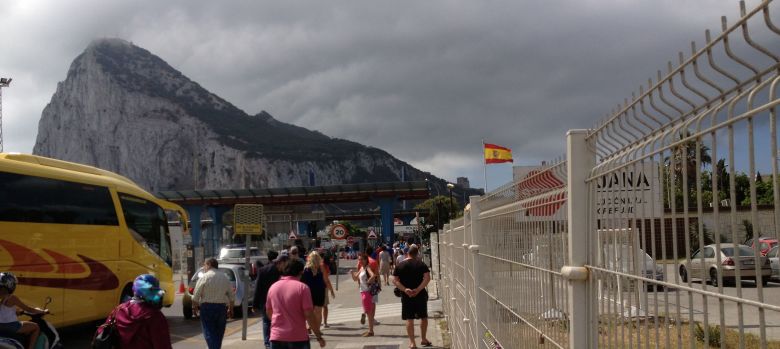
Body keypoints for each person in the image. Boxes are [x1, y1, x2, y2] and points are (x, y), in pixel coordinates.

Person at [266, 258, 326, 348]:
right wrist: (318, 336)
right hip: (298, 338)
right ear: (300, 272)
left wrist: (279, 322)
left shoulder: (273, 287)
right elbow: (309, 314)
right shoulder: (302, 288)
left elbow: (269, 311)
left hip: (277, 337)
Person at [106, 274, 172, 349]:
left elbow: (102, 333)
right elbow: (163, 345)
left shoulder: (118, 310)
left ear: (134, 290)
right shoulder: (155, 316)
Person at [393, 245, 432, 348]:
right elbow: (427, 278)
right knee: (423, 317)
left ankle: (412, 343)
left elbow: (395, 281)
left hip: (407, 296)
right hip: (420, 295)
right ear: (417, 254)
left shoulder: (400, 265)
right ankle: (423, 339)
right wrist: (418, 289)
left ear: (407, 254)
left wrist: (405, 289)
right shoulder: (421, 264)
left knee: (409, 319)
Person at [191, 258, 235, 349]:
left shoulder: (204, 277)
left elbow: (196, 295)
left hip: (207, 308)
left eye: (204, 265)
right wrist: (231, 308)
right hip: (221, 308)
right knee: (219, 333)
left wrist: (194, 308)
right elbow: (231, 296)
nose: (203, 267)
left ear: (209, 265)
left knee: (209, 333)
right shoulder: (224, 277)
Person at [0, 273, 47, 349]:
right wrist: (42, 311)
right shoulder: (12, 298)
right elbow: (28, 309)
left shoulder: (1, 298)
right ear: (11, 285)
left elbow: (3, 312)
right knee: (36, 327)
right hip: (12, 326)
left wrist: (17, 313)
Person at [254, 250, 288, 349]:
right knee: (278, 321)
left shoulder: (263, 270)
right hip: (280, 301)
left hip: (266, 301)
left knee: (266, 322)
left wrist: (255, 304)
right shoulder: (282, 271)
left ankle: (267, 343)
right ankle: (276, 339)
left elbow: (258, 288)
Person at [350, 254, 378, 337]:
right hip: (363, 291)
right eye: (359, 260)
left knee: (369, 312)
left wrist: (368, 281)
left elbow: (373, 275)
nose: (360, 261)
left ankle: (370, 331)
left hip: (366, 292)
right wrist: (352, 273)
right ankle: (370, 328)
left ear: (366, 260)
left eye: (362, 259)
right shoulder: (362, 268)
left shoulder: (367, 268)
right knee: (369, 311)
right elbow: (355, 278)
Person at [301, 251, 326, 333]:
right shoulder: (320, 268)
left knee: (309, 312)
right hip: (319, 292)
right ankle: (317, 330)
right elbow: (324, 279)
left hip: (309, 293)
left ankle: (309, 326)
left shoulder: (306, 269)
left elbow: (303, 282)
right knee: (318, 312)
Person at [356, 246, 380, 325]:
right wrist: (379, 284)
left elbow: (358, 273)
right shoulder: (373, 261)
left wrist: (359, 284)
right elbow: (376, 274)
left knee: (365, 302)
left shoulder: (360, 261)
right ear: (372, 252)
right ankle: (372, 319)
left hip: (363, 286)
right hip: (372, 286)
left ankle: (365, 312)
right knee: (373, 303)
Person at [318, 251, 336, 328]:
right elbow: (327, 279)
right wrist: (331, 290)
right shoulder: (324, 265)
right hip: (323, 287)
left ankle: (316, 323)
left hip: (314, 287)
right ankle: (324, 322)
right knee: (324, 306)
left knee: (316, 307)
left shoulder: (313, 265)